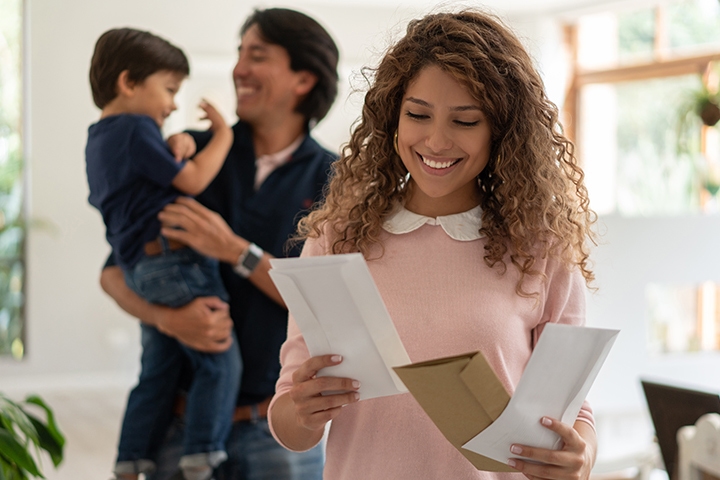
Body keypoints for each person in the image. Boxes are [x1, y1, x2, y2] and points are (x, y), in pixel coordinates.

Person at [268, 9, 599, 480]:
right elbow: (290, 424)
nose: (436, 141)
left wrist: (579, 459)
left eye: (465, 121)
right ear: (392, 118)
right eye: (418, 115)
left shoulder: (540, 246)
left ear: (500, 130)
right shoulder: (336, 237)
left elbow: (573, 415)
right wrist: (300, 411)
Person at [99, 8, 339, 480]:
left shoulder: (338, 181)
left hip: (281, 436)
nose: (239, 69)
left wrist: (234, 250)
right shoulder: (187, 153)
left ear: (304, 79)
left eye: (257, 55)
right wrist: (167, 318)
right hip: (179, 430)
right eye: (238, 54)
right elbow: (113, 273)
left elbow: (328, 308)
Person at [86, 28, 240, 480]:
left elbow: (148, 180)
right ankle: (202, 455)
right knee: (219, 356)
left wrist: (177, 144)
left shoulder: (101, 137)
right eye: (169, 89)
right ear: (128, 82)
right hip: (176, 261)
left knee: (158, 367)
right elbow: (191, 182)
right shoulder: (136, 127)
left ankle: (131, 457)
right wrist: (222, 137)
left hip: (139, 266)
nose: (173, 104)